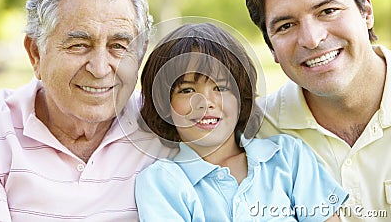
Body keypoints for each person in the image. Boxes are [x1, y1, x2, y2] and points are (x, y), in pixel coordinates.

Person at [0, 0, 174, 221]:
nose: (100, 69)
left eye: (119, 47)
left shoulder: (169, 127)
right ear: (35, 54)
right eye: (79, 45)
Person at [135, 22, 348, 221]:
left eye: (221, 87)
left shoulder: (288, 157)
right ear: (164, 104)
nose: (206, 102)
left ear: (241, 97)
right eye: (187, 90)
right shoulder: (162, 181)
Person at [245, 0, 390, 220]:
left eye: (328, 11)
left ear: (366, 11)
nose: (312, 39)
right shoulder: (252, 136)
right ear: (271, 47)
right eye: (286, 25)